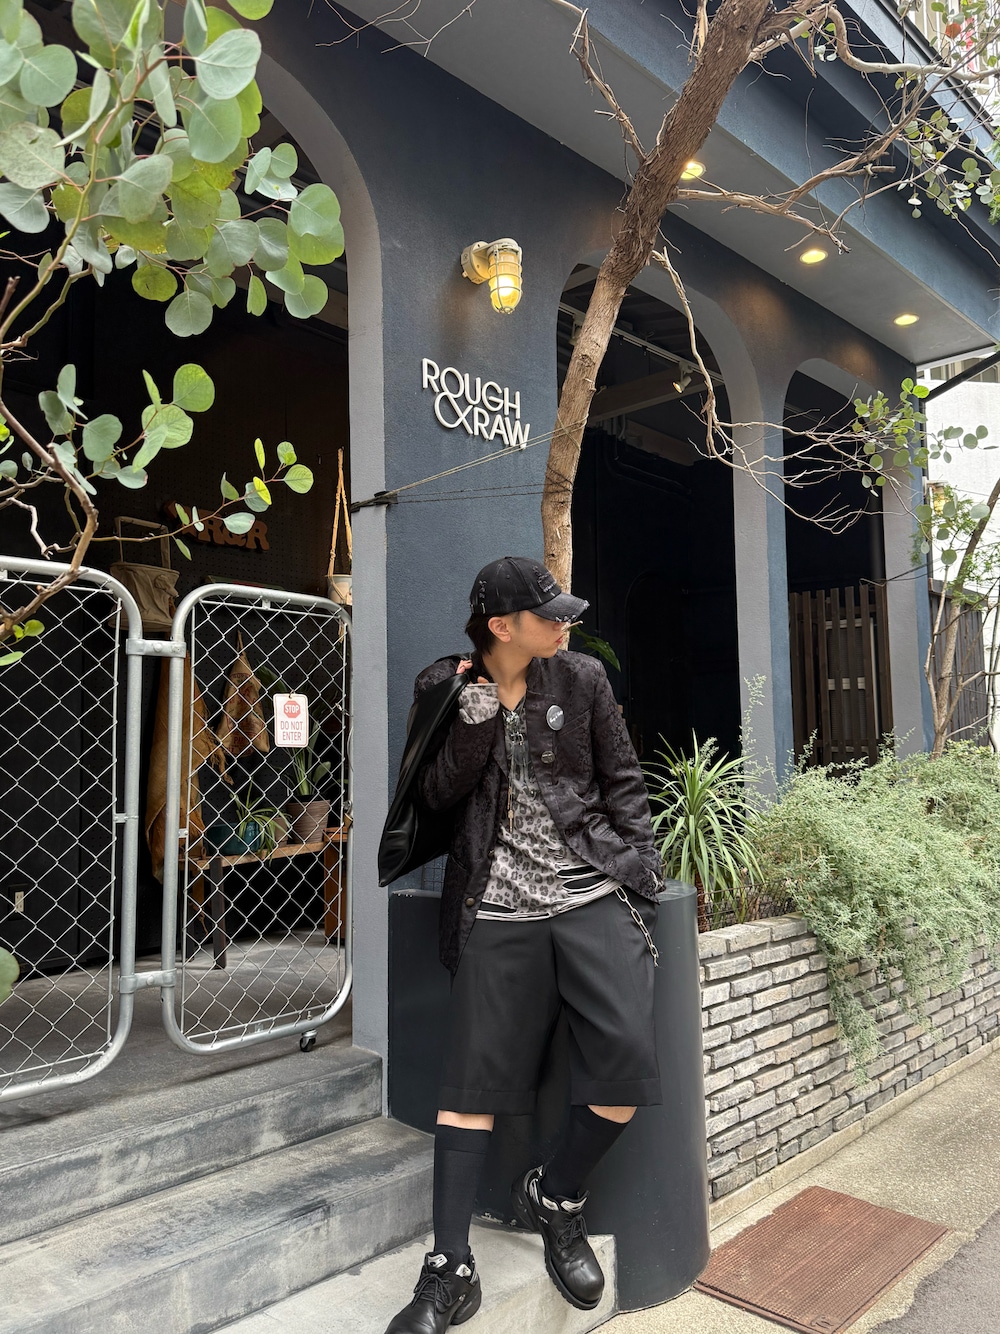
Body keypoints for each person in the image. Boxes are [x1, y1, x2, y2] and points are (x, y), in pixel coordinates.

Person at [385, 555, 663, 1334]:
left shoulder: (581, 678)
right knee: (469, 1088)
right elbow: (434, 796)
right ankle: (451, 1268)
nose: (566, 623)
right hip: (496, 905)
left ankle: (556, 1197)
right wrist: (476, 715)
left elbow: (623, 778)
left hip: (589, 892)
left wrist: (642, 865)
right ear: (502, 626)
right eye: (549, 615)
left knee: (626, 1066)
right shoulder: (445, 685)